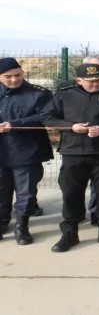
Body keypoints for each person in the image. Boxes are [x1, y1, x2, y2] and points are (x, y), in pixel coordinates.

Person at [41, 64, 99, 252]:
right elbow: (47, 117)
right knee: (71, 193)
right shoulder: (65, 94)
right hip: (73, 153)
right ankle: (70, 232)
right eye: (91, 81)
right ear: (78, 81)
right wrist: (70, 126)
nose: (96, 83)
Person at [0, 57, 53, 244]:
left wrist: (14, 125)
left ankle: (21, 226)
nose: (14, 80)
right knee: (2, 190)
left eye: (18, 75)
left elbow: (45, 117)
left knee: (26, 192)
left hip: (27, 151)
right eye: (8, 77)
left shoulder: (38, 94)